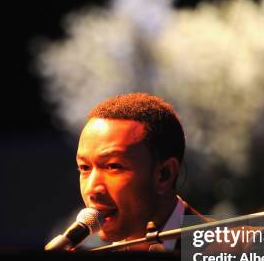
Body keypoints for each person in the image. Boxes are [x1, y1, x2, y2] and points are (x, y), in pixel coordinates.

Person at [75, 92, 207, 252]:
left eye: (113, 166)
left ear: (164, 175)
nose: (91, 189)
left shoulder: (237, 250)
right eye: (84, 167)